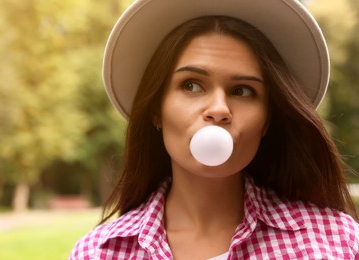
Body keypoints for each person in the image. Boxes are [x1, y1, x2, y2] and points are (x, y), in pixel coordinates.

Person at [69, 0, 359, 259]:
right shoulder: (98, 253)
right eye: (192, 85)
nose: (219, 109)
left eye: (243, 91)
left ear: (268, 119)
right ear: (156, 109)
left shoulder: (339, 243)